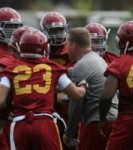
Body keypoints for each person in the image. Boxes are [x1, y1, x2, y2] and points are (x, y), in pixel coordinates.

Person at [0, 29, 86, 150]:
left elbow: (0, 101)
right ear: (45, 48)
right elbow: (77, 94)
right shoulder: (53, 68)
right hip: (44, 122)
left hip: (20, 123)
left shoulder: (11, 69)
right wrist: (83, 86)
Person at [63, 27, 118, 150]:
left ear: (74, 45)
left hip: (97, 122)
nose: (66, 49)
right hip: (112, 119)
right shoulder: (98, 59)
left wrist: (69, 133)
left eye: (68, 44)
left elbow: (76, 103)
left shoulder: (81, 65)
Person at [99, 21, 133, 150]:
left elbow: (106, 96)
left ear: (125, 41)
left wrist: (102, 118)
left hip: (127, 122)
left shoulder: (119, 64)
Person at [40, 12, 76, 150]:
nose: (57, 34)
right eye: (53, 30)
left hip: (69, 108)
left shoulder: (72, 50)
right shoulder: (39, 50)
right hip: (47, 106)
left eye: (60, 30)